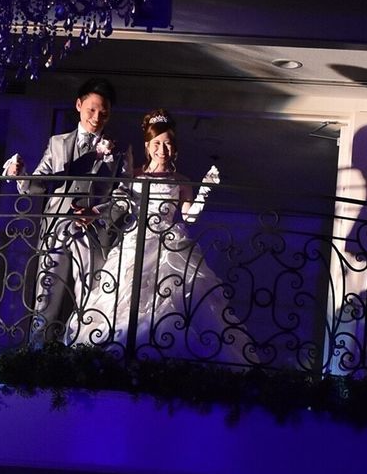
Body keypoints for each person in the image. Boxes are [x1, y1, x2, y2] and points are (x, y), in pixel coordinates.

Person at [68, 108, 256, 365]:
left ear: (174, 147)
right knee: (123, 296)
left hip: (169, 245)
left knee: (175, 298)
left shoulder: (181, 180)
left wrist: (204, 191)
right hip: (134, 242)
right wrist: (95, 211)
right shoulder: (134, 175)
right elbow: (120, 204)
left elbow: (189, 217)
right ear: (147, 146)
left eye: (167, 143)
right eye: (156, 143)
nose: (162, 149)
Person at [3, 78, 130, 346]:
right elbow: (39, 184)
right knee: (46, 295)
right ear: (79, 105)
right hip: (56, 228)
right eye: (92, 110)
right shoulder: (57, 143)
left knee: (90, 296)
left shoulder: (119, 150)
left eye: (104, 113)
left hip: (94, 233)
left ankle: (83, 354)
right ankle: (37, 354)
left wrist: (97, 212)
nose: (97, 118)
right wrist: (21, 175)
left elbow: (124, 195)